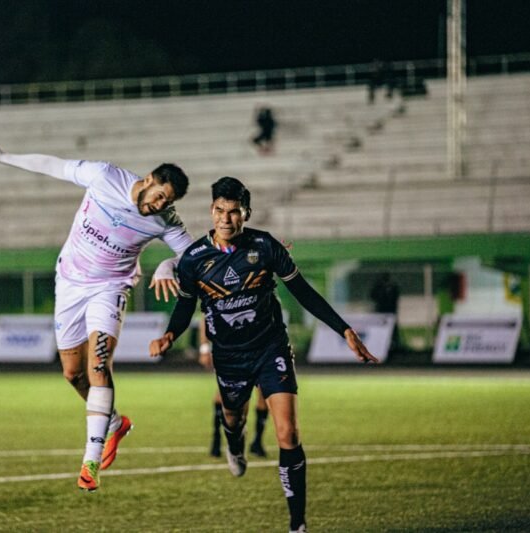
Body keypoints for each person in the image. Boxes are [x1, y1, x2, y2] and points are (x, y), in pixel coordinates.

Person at [149, 177, 378, 533]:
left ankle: (298, 524)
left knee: (288, 433)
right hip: (229, 357)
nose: (226, 219)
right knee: (233, 419)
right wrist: (169, 335)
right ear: (211, 211)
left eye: (234, 212)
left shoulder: (265, 246)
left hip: (271, 347)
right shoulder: (194, 259)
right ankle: (234, 444)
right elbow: (185, 307)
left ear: (246, 213)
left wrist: (344, 329)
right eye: (220, 210)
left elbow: (303, 291)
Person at [0, 139, 194, 492]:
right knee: (71, 373)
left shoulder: (165, 220)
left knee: (98, 367)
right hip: (69, 283)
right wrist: (5, 157)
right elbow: (54, 164)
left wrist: (169, 265)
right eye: (159, 196)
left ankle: (90, 463)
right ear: (149, 179)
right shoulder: (104, 177)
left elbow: (194, 255)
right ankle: (113, 423)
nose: (159, 205)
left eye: (166, 203)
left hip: (109, 289)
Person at [198, 318, 269, 458]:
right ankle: (217, 440)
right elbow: (206, 316)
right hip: (231, 350)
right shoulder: (219, 297)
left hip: (260, 349)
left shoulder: (264, 296)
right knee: (223, 394)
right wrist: (204, 349)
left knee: (264, 393)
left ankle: (257, 441)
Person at [370, 272, 401, 351]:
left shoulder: (393, 287)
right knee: (380, 329)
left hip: (390, 312)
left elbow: (395, 297)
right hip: (381, 312)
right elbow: (373, 296)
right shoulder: (378, 287)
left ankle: (395, 345)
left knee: (393, 329)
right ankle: (380, 344)